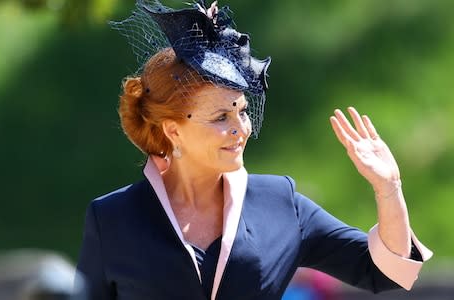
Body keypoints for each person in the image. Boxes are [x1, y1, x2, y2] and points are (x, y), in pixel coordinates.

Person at [75, 1, 432, 299]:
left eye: (242, 111)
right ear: (173, 130)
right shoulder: (112, 219)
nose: (240, 128)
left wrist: (389, 189)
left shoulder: (281, 203)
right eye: (220, 116)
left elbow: (388, 271)